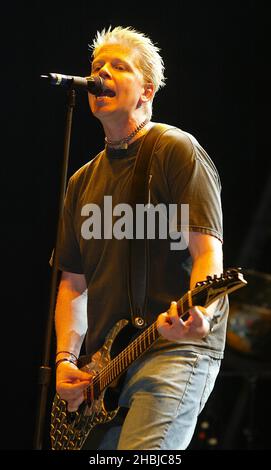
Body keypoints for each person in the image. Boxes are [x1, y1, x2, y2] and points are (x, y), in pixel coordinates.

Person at [54, 26, 228, 450]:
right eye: (97, 68)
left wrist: (200, 312)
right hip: (105, 372)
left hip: (172, 351)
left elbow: (207, 250)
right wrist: (65, 361)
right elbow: (72, 284)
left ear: (147, 90)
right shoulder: (81, 181)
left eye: (118, 67)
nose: (102, 75)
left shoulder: (174, 150)